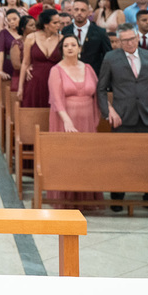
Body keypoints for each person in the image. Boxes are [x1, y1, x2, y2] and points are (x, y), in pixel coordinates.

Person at [97, 24, 148, 213]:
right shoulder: (111, 58)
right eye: (125, 40)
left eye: (132, 39)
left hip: (147, 116)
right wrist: (108, 112)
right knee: (120, 157)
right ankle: (118, 196)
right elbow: (101, 89)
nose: (129, 43)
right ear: (119, 41)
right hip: (121, 116)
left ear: (137, 37)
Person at [47, 35, 103, 209]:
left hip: (87, 119)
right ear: (61, 50)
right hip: (65, 119)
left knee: (85, 158)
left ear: (79, 49)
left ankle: (85, 198)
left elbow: (98, 93)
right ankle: (65, 198)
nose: (70, 48)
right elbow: (56, 99)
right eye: (66, 45)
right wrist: (67, 121)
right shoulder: (56, 70)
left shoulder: (88, 68)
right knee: (67, 158)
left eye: (73, 45)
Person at [17, 9, 62, 108]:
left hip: (55, 82)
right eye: (55, 23)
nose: (58, 25)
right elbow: (25, 63)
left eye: (59, 22)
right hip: (35, 81)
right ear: (46, 24)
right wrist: (20, 87)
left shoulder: (61, 39)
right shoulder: (31, 38)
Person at [61, 0, 111, 75]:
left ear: (89, 12)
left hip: (94, 76)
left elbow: (108, 56)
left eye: (83, 10)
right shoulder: (65, 31)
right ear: (72, 11)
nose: (79, 13)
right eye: (76, 9)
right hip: (69, 75)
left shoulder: (100, 32)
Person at [0, 9, 23, 91]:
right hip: (9, 65)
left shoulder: (25, 32)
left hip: (23, 65)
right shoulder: (3, 33)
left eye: (14, 19)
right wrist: (0, 70)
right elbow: (0, 52)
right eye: (9, 20)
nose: (12, 22)